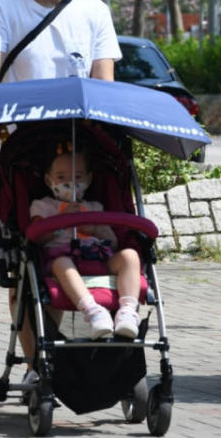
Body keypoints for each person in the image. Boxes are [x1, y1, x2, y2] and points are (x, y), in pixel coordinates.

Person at [0, 0, 122, 386]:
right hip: (23, 150)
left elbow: (105, 83)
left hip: (84, 150)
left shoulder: (94, 11)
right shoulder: (5, 6)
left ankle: (111, 339)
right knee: (23, 264)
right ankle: (39, 364)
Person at [30, 146, 141, 340]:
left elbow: (113, 242)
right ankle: (93, 311)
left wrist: (96, 229)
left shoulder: (94, 207)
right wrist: (61, 221)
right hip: (62, 260)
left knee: (130, 255)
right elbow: (37, 237)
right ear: (49, 180)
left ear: (89, 180)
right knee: (62, 263)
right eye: (61, 177)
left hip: (98, 257)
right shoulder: (43, 206)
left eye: (78, 177)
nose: (70, 183)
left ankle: (128, 312)